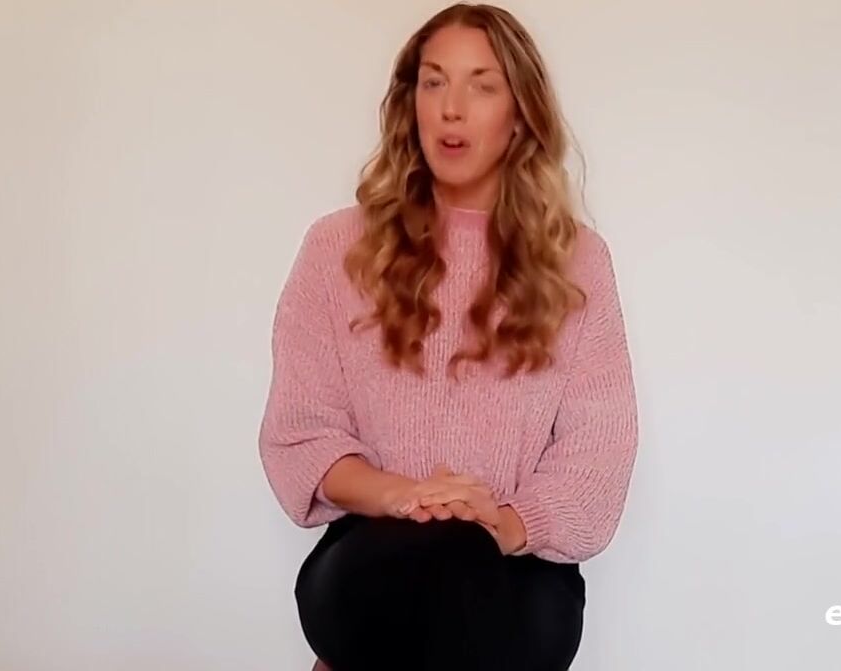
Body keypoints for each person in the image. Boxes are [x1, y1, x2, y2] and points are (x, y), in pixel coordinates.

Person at [258, 4, 639, 670]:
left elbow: (596, 455)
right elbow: (303, 433)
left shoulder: (579, 261)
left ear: (520, 113)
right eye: (433, 82)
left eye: (481, 85)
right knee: (426, 577)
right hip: (373, 553)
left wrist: (500, 521)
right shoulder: (336, 248)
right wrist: (404, 497)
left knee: (466, 576)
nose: (451, 109)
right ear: (411, 103)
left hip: (518, 566)